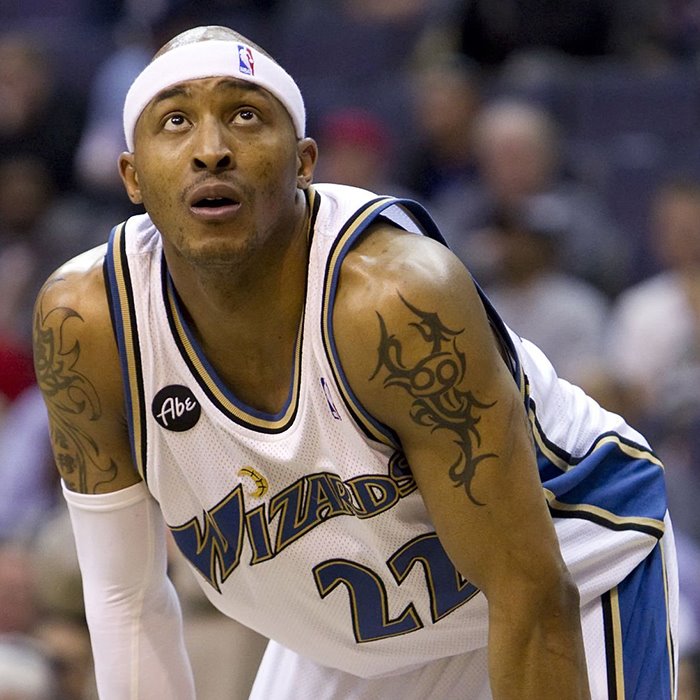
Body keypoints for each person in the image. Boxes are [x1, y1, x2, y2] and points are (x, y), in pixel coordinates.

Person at [32, 24, 677, 699]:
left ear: (304, 162)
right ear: (132, 176)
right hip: (354, 640)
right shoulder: (86, 327)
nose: (211, 149)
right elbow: (126, 601)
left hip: (566, 571)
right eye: (175, 121)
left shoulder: (395, 301)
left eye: (245, 115)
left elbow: (529, 589)